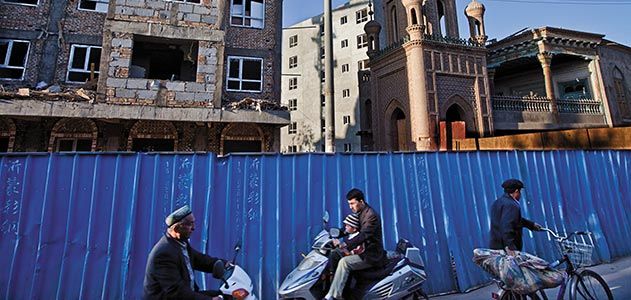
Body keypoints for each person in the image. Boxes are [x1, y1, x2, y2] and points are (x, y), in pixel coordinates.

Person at [143, 205, 228, 300]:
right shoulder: (163, 254)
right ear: (176, 229)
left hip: (186, 294)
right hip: (172, 297)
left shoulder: (180, 243)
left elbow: (199, 259)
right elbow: (176, 292)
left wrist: (225, 264)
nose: (193, 228)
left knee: (226, 296)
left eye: (193, 223)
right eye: (189, 224)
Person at [324, 188, 386, 300]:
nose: (350, 207)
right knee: (335, 254)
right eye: (349, 204)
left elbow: (363, 235)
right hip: (360, 251)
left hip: (370, 255)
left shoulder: (370, 216)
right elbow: (350, 228)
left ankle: (334, 295)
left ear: (361, 202)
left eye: (352, 203)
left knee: (344, 262)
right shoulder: (360, 212)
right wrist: (338, 234)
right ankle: (340, 290)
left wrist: (345, 244)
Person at [489, 179, 542, 256]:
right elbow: (507, 226)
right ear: (516, 191)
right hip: (507, 250)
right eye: (520, 192)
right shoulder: (512, 205)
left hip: (496, 247)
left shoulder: (497, 202)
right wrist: (511, 248)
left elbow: (512, 220)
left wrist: (531, 225)